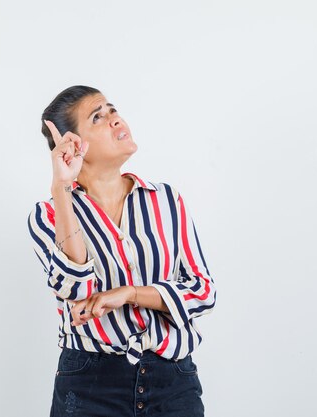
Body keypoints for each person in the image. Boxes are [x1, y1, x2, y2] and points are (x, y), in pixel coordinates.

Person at [27, 85, 216, 417]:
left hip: (173, 382)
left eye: (112, 109)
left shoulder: (165, 200)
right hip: (90, 384)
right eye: (98, 116)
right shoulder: (50, 215)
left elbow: (202, 293)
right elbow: (78, 291)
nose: (115, 119)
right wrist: (61, 187)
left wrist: (130, 294)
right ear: (72, 144)